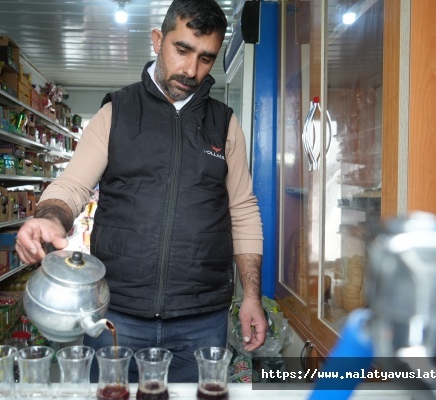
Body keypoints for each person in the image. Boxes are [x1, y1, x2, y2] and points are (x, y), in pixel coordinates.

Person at [15, 0, 267, 383]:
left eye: (205, 58)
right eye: (181, 50)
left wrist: (251, 295)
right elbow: (73, 183)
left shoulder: (224, 124)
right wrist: (49, 218)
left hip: (202, 321)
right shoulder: (116, 111)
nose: (191, 69)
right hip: (117, 315)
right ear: (157, 40)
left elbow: (243, 210)